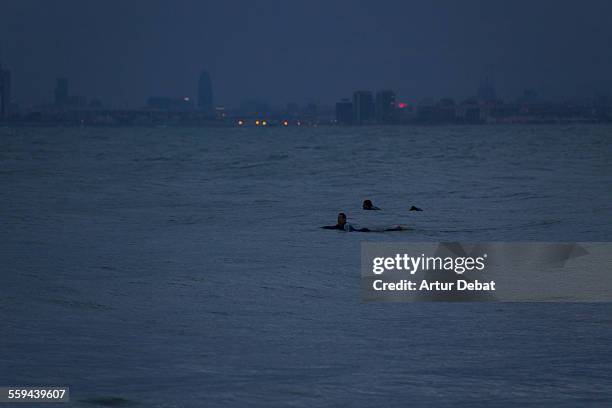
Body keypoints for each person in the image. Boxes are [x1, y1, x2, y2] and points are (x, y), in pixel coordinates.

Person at [322, 212, 406, 232]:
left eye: (340, 218)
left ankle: (396, 228)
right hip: (360, 230)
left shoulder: (346, 225)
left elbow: (350, 232)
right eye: (338, 218)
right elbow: (333, 227)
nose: (338, 219)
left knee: (380, 231)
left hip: (363, 231)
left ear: (344, 219)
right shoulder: (339, 226)